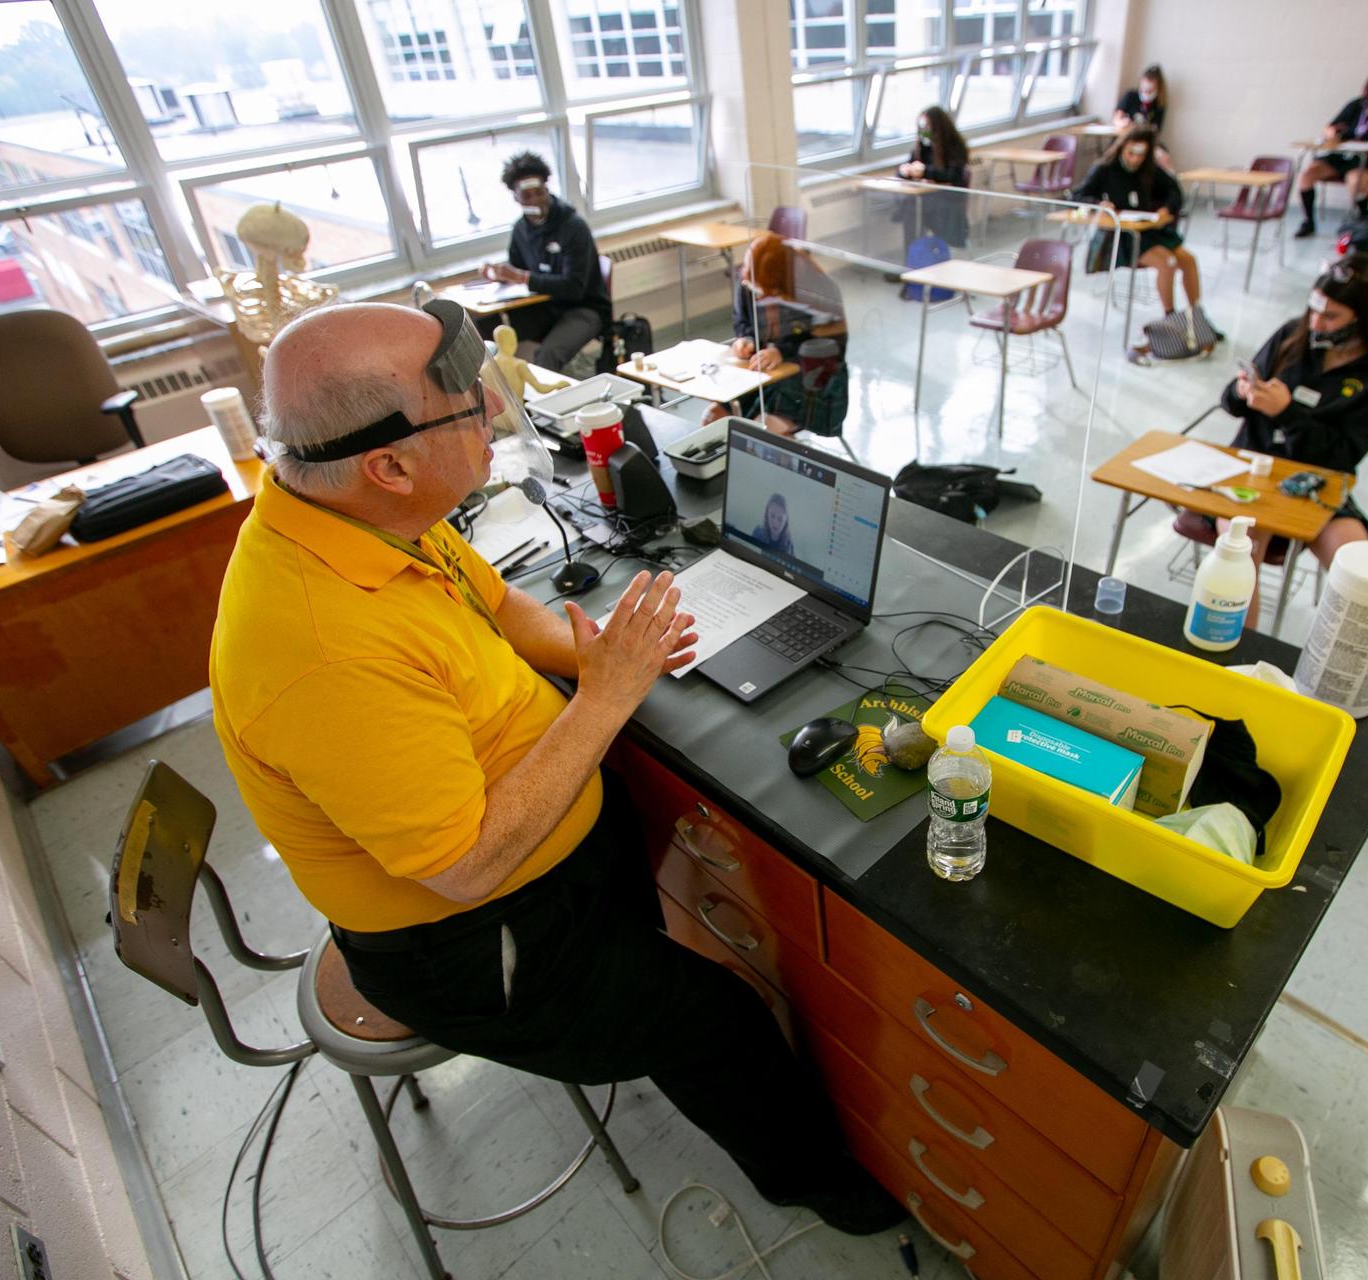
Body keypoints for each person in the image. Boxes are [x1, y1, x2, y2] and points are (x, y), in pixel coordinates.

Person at [208, 300, 903, 1236]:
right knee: (717, 1020)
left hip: (543, 867)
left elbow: (499, 607)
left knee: (653, 910)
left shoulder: (367, 518)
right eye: (469, 408)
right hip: (472, 941)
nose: (496, 416)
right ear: (390, 463)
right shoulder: (322, 650)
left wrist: (605, 651)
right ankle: (819, 1186)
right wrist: (605, 698)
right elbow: (466, 867)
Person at [1216, 257, 1368, 623]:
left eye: (1331, 316)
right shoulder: (1294, 335)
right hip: (1252, 469)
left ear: (1367, 317)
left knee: (1361, 577)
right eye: (1314, 309)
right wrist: (1242, 392)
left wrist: (1287, 414)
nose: (1316, 323)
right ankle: (1238, 655)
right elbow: (1229, 402)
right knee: (1242, 554)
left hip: (1317, 480)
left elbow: (1343, 454)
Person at [1072, 125, 1212, 363]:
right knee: (1167, 263)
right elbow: (1078, 196)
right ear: (1122, 148)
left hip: (1148, 230)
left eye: (1140, 155)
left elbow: (1174, 192)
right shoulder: (1104, 169)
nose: (1135, 159)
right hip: (1124, 236)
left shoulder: (1150, 170)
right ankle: (1171, 320)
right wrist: (1099, 204)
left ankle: (1196, 319)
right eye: (1131, 153)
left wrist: (1167, 208)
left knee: (1188, 260)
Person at [479, 151, 611, 371]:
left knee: (546, 356)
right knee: (482, 329)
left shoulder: (573, 227)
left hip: (583, 308)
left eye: (539, 193)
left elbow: (573, 287)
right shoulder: (521, 229)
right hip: (543, 307)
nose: (535, 200)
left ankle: (544, 394)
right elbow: (517, 271)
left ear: (547, 189)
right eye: (527, 195)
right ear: (516, 197)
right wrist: (498, 274)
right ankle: (495, 390)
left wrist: (523, 277)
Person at [711, 232, 849, 438]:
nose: (757, 295)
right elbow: (741, 320)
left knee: (763, 430)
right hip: (763, 375)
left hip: (809, 379)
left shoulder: (820, 293)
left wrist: (782, 352)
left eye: (765, 292)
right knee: (713, 418)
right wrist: (746, 339)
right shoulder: (748, 279)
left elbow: (832, 347)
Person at [1295, 69, 1368, 239]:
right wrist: (1331, 133)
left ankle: (1361, 222)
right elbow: (1329, 127)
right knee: (1307, 175)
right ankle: (1308, 221)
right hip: (1342, 156)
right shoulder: (1356, 105)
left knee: (1356, 181)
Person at [894, 105, 970, 251]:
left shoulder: (954, 147)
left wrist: (925, 172)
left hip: (948, 201)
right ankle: (912, 257)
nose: (925, 131)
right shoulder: (922, 147)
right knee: (911, 207)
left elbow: (953, 176)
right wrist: (905, 171)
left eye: (928, 127)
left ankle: (921, 255)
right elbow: (907, 166)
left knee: (913, 208)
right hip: (926, 199)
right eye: (922, 128)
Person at [1111, 64, 1173, 168]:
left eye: (1150, 91)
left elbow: (1155, 132)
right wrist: (1122, 123)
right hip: (1125, 139)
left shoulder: (1159, 105)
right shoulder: (1130, 96)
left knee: (1163, 158)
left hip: (1146, 142)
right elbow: (1117, 118)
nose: (1146, 93)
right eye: (1143, 89)